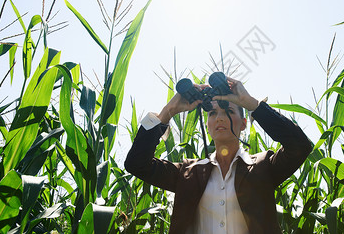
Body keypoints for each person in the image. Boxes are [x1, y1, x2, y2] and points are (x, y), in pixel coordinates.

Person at [124, 76, 313, 234]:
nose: (220, 118)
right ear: (207, 124)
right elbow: (136, 163)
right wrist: (168, 111)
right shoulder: (187, 173)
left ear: (244, 123)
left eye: (229, 111)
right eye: (213, 113)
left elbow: (300, 145)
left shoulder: (263, 167)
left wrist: (252, 104)